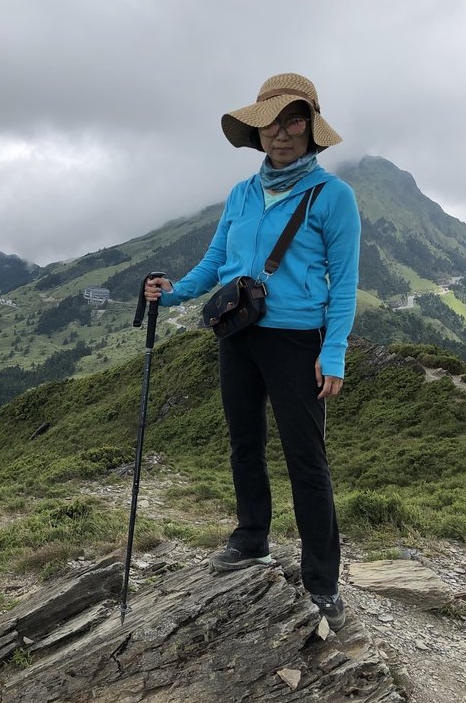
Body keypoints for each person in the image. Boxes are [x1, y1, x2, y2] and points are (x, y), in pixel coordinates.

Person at [143, 72, 360, 631]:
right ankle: (252, 540)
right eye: (269, 124)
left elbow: (345, 280)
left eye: (292, 122)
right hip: (238, 333)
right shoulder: (242, 193)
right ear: (257, 131)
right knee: (245, 444)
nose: (280, 135)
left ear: (311, 129)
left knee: (306, 461)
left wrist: (333, 352)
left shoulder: (333, 197)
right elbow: (217, 262)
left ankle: (322, 582)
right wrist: (172, 293)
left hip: (296, 340)